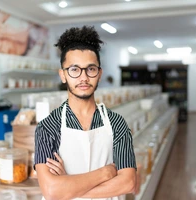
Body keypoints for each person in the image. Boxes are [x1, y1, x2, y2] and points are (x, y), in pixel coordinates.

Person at [34, 26, 136, 200]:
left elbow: (128, 183)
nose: (83, 78)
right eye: (74, 69)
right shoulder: (47, 127)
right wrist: (105, 173)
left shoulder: (117, 123)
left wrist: (67, 186)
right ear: (63, 75)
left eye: (90, 69)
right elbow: (51, 191)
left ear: (99, 73)